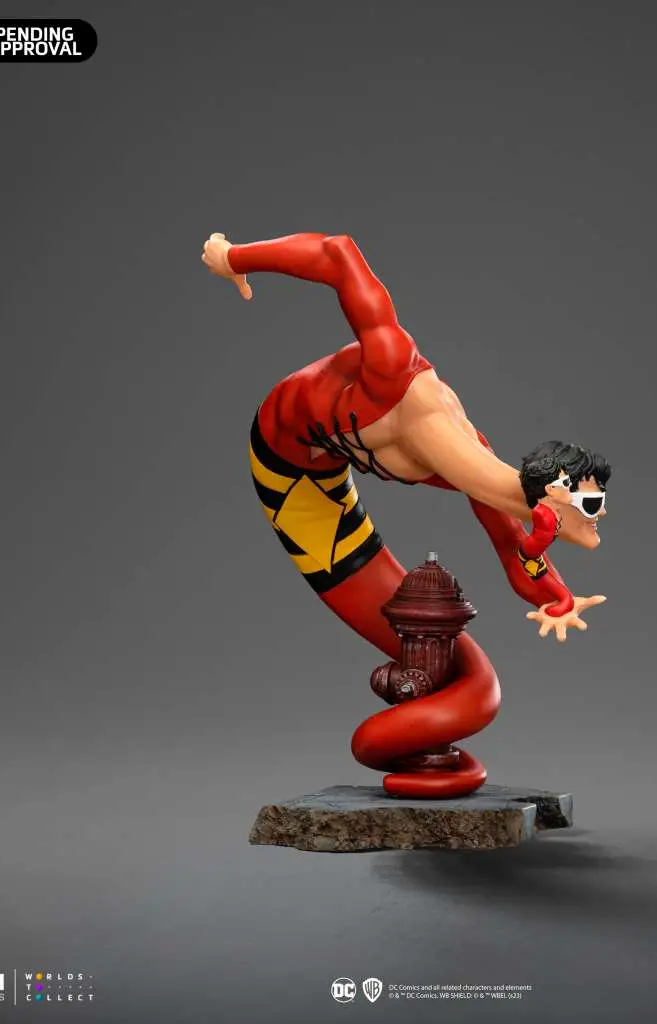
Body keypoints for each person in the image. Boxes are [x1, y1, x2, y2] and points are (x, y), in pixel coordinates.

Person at [200, 230, 612, 796]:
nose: (598, 516)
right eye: (592, 503)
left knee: (470, 684)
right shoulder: (391, 364)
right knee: (416, 711)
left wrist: (557, 597)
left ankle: (427, 742)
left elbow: (515, 553)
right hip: (281, 457)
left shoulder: (472, 460)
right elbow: (338, 252)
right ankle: (419, 738)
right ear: (557, 492)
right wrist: (233, 258)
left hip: (323, 487)